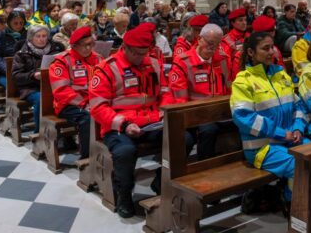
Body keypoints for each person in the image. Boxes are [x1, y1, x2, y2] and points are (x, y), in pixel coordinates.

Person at [88, 24, 189, 218]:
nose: (141, 57)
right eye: (136, 53)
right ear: (124, 47)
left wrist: (164, 111)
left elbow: (165, 92)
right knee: (125, 151)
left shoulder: (153, 64)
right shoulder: (106, 69)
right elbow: (98, 107)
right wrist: (124, 124)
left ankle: (161, 181)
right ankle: (124, 195)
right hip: (119, 126)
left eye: (144, 53)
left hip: (152, 121)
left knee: (183, 138)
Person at [230, 31, 310, 202]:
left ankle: (306, 202)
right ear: (251, 52)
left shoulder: (281, 75)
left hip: (290, 139)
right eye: (265, 48)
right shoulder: (243, 81)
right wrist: (281, 133)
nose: (271, 52)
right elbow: (243, 117)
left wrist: (298, 128)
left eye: (272, 47)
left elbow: (298, 106)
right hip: (262, 147)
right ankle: (293, 206)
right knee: (301, 166)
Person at [165, 24, 230, 160]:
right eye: (210, 43)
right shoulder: (183, 61)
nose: (213, 48)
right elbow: (180, 99)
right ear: (200, 39)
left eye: (217, 44)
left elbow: (229, 86)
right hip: (195, 112)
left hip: (220, 110)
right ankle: (205, 165)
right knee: (209, 130)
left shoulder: (222, 59)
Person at [50, 26, 101, 159]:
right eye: (85, 45)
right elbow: (61, 91)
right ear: (74, 45)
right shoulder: (62, 61)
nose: (89, 48)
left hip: (94, 101)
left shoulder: (98, 59)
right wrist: (84, 104)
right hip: (68, 104)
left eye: (91, 44)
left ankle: (106, 151)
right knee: (87, 118)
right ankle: (88, 157)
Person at [12, 25, 64, 133]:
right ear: (31, 38)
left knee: (67, 96)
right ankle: (39, 132)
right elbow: (16, 76)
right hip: (31, 88)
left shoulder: (55, 50)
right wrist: (33, 75)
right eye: (38, 36)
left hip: (52, 85)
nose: (42, 39)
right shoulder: (22, 53)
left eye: (44, 36)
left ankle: (63, 132)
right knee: (42, 99)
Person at [0, 11, 28, 88]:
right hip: (4, 70)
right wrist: (7, 69)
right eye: (15, 23)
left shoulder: (28, 34)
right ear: (9, 22)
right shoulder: (0, 35)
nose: (19, 25)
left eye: (21, 23)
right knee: (13, 85)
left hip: (23, 69)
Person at [217, 8, 249, 85]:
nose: (244, 23)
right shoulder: (227, 40)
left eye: (245, 20)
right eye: (240, 20)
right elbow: (226, 65)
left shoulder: (250, 37)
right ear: (232, 23)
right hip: (235, 80)